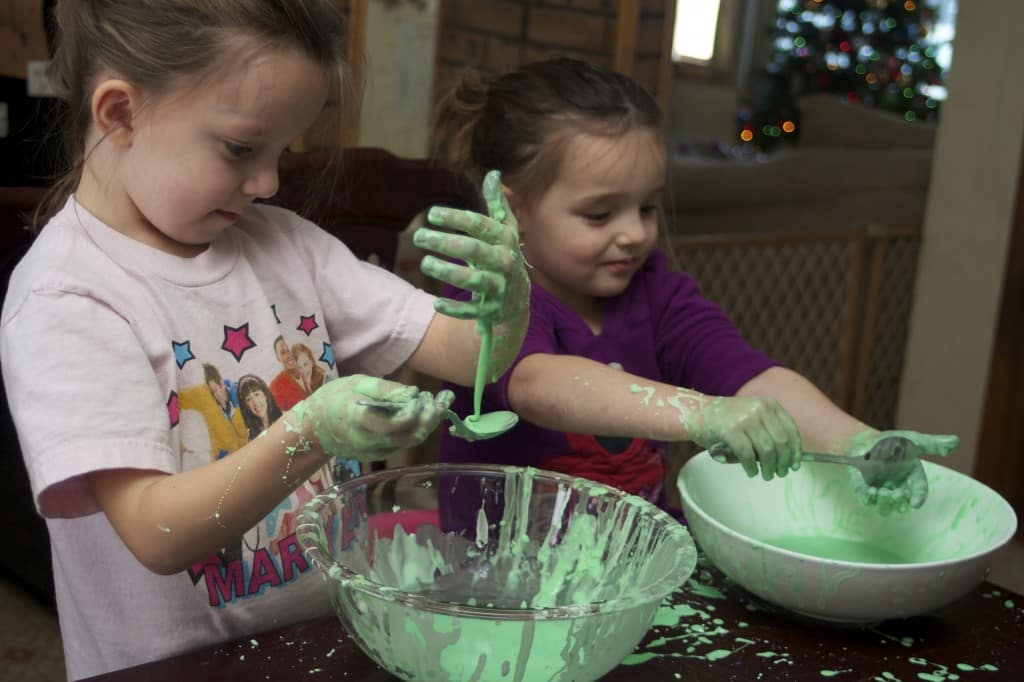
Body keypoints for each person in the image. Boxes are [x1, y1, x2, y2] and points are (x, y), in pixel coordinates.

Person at [0, 2, 528, 679]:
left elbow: (465, 355)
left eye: (284, 151)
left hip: (330, 645)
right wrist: (311, 431)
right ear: (120, 114)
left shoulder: (288, 248)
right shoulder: (68, 298)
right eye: (242, 149)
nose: (270, 182)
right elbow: (154, 530)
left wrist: (507, 306)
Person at [431, 58, 958, 516]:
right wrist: (700, 413)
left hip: (632, 565)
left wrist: (856, 443)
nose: (635, 233)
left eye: (647, 207)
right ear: (513, 207)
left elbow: (747, 374)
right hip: (496, 575)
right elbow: (535, 384)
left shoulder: (657, 290)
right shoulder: (488, 297)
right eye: (599, 214)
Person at [269, 334, 307, 410]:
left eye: (290, 350)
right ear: (277, 357)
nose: (288, 355)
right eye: (283, 352)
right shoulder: (276, 386)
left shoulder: (312, 370)